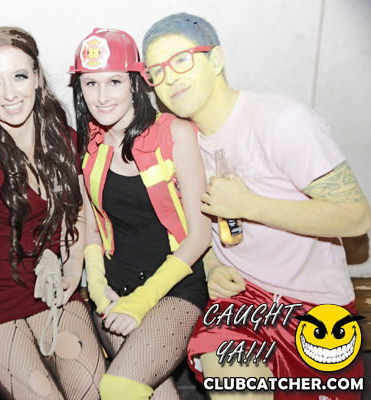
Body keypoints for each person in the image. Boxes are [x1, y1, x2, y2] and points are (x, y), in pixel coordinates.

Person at [142, 13, 371, 399]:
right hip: (243, 304)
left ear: (216, 59)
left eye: (181, 60)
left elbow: (357, 217)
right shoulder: (180, 144)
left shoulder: (282, 121)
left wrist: (249, 205)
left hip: (317, 311)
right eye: (156, 71)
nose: (169, 78)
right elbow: (200, 231)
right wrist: (213, 268)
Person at [0, 27, 105, 400]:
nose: (10, 93)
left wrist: (74, 266)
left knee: (90, 389)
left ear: (36, 77)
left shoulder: (64, 140)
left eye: (18, 76)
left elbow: (80, 213)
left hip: (48, 286)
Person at [70, 28, 211, 399]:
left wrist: (142, 301)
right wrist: (97, 287)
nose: (102, 96)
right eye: (91, 84)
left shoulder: (175, 133)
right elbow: (92, 226)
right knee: (151, 392)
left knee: (118, 387)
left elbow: (200, 235)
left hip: (174, 287)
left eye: (114, 82)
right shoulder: (89, 142)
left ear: (134, 83)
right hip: (115, 287)